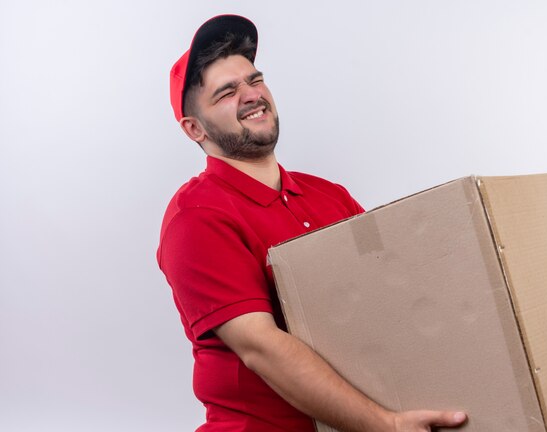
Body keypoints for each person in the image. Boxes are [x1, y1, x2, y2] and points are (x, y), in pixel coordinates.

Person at [157, 14, 468, 432]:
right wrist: (386, 424)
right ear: (194, 128)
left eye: (255, 79)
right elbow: (261, 348)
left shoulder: (329, 195)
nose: (252, 95)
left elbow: (393, 302)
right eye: (227, 92)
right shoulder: (196, 217)